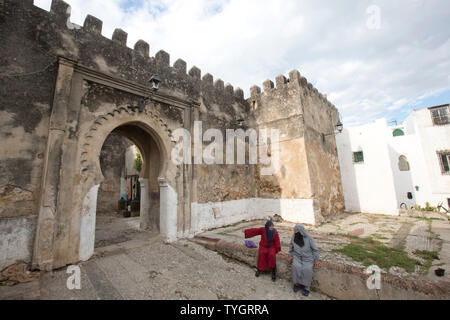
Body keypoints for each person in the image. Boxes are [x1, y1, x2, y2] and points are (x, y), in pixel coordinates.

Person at [288, 224, 320, 297]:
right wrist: (290, 255)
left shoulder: (309, 238)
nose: (294, 232)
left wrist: (317, 259)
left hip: (308, 258)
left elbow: (315, 249)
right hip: (297, 257)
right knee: (295, 266)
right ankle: (296, 284)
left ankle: (307, 287)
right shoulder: (294, 237)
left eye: (295, 231)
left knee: (307, 269)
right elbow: (291, 247)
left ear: (300, 231)